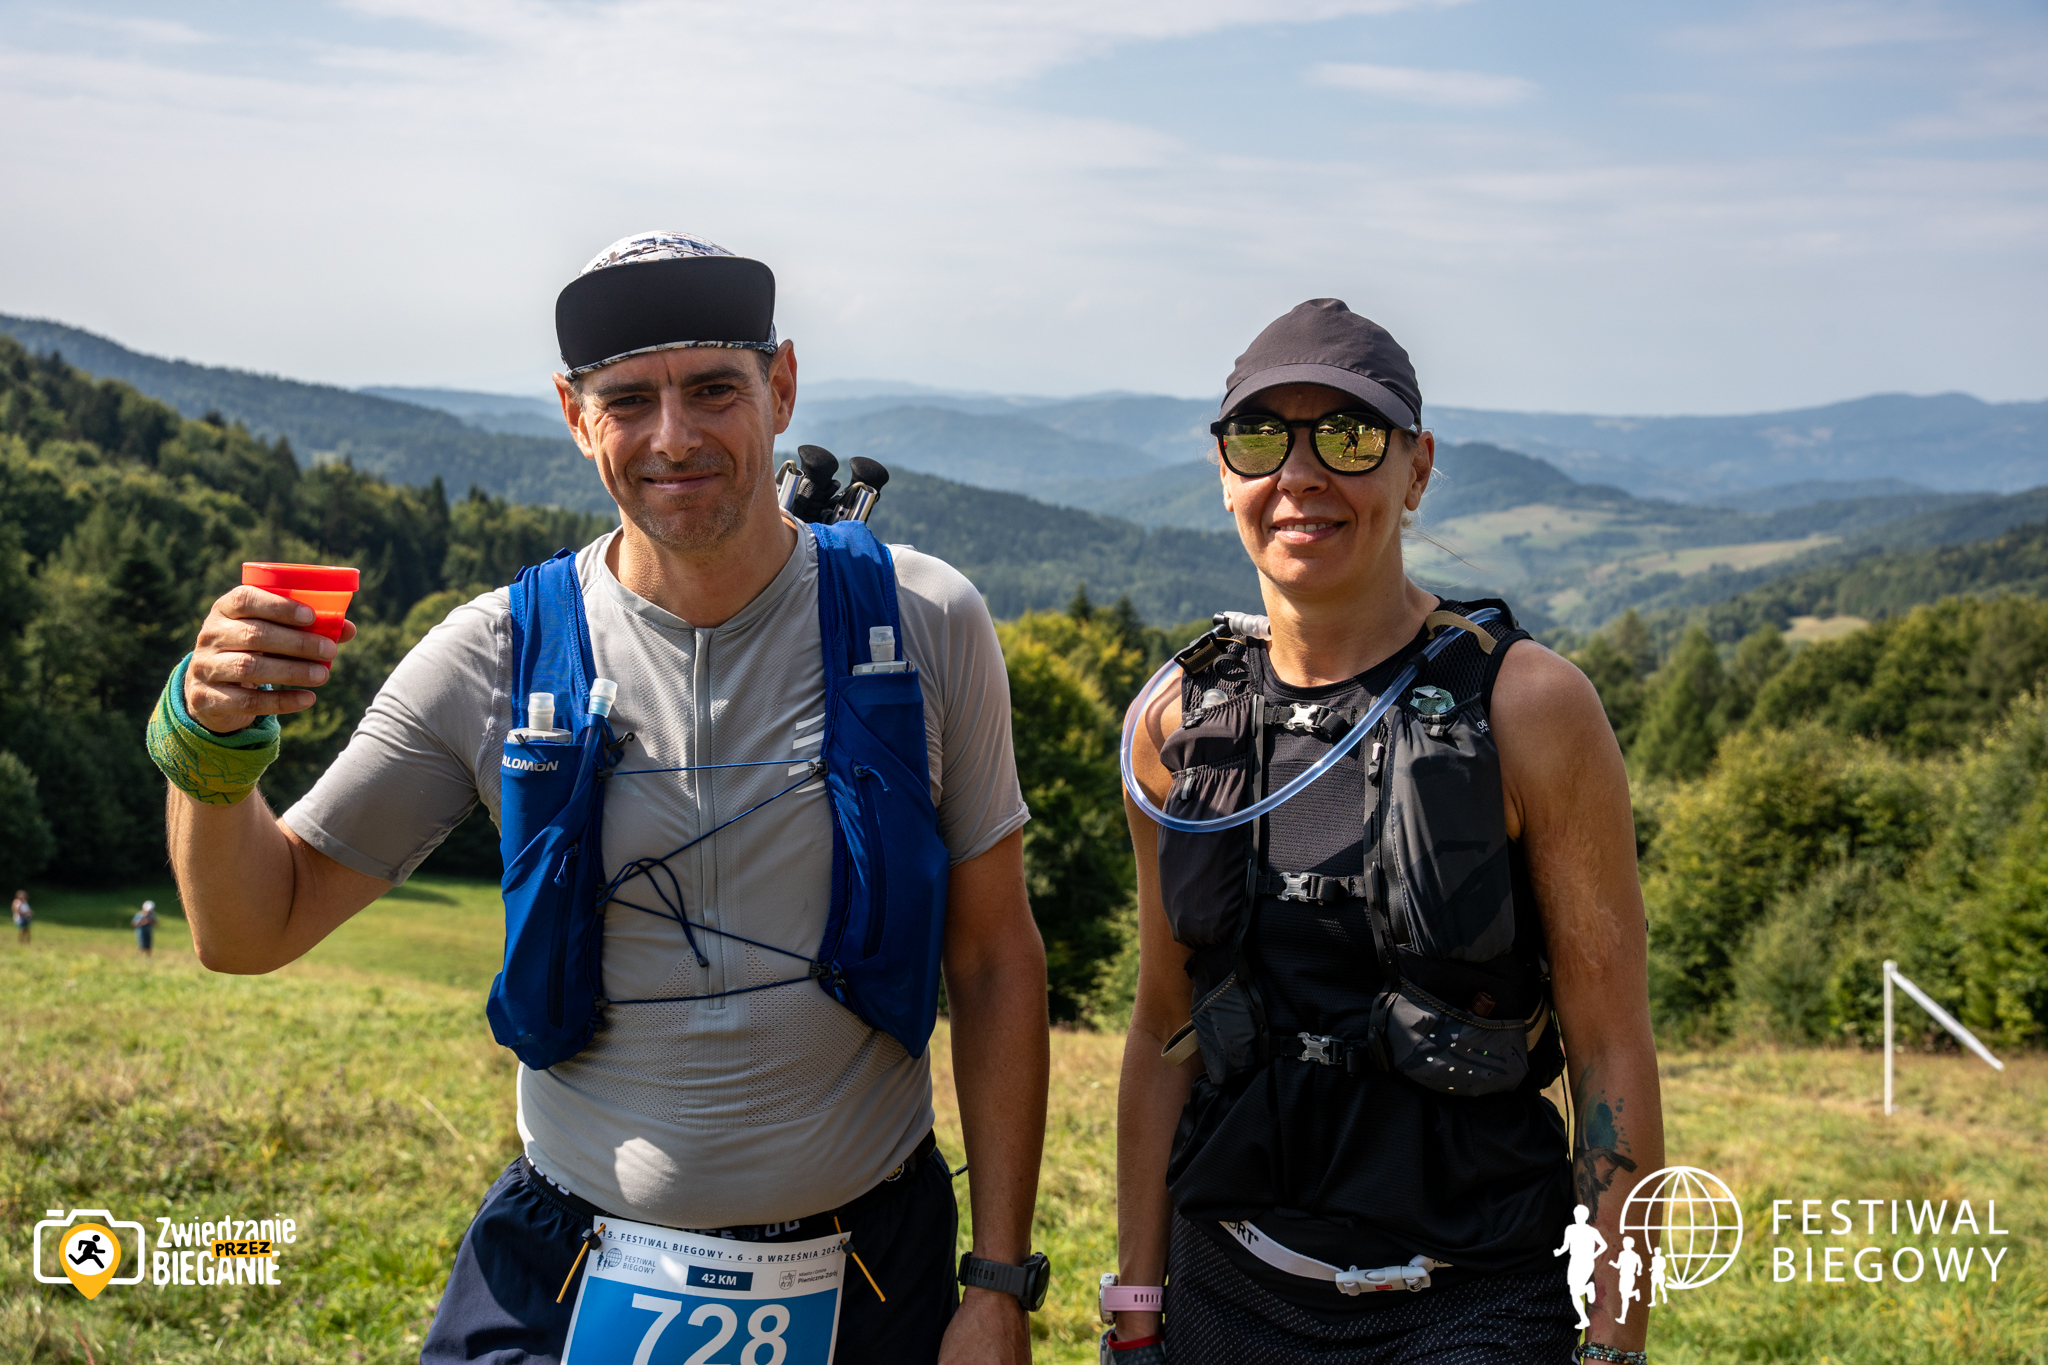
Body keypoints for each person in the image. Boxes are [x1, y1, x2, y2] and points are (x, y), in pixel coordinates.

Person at [152, 231, 1050, 1365]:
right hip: (568, 1267)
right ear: (576, 417)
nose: (673, 437)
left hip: (875, 1270)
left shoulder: (926, 620)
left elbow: (994, 957)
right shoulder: (492, 653)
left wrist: (998, 1284)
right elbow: (249, 929)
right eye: (628, 400)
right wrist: (210, 740)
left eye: (713, 389)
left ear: (781, 386)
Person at [1110, 300, 1663, 1364]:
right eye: (1260, 437)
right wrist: (1135, 1309)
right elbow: (1161, 1027)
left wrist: (1612, 1340)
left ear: (1417, 468)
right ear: (1223, 470)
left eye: (1350, 437)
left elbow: (1607, 1049)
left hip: (1471, 1305)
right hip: (1226, 1293)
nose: (1300, 474)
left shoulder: (1528, 707)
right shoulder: (1176, 723)